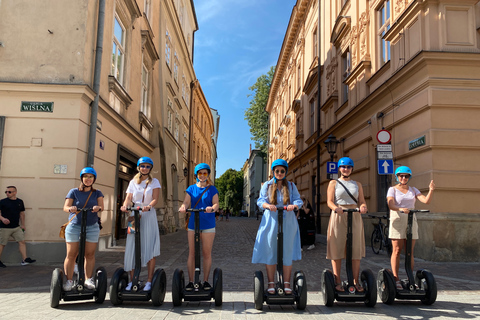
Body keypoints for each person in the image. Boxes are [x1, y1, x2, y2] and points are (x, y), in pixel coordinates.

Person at [252, 159, 303, 295]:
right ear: (273, 172)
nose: (280, 173)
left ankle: (286, 283)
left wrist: (294, 205)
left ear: (285, 172)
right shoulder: (267, 185)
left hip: (288, 222)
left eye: (282, 171)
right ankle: (271, 283)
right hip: (271, 221)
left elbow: (298, 199)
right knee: (271, 251)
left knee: (286, 251)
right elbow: (260, 200)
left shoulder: (291, 186)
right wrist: (268, 205)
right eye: (277, 171)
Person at [387, 166, 435, 289]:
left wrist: (431, 190)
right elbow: (390, 204)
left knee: (409, 251)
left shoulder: (413, 190)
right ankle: (396, 278)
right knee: (397, 250)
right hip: (397, 219)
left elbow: (426, 201)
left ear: (409, 177)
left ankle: (410, 278)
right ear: (397, 177)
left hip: (411, 219)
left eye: (406, 176)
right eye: (401, 176)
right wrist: (400, 209)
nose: (403, 178)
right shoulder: (392, 189)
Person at [326, 157, 368, 292]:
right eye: (343, 167)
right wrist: (335, 208)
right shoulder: (333, 183)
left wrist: (363, 207)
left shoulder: (358, 184)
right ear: (339, 168)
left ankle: (355, 281)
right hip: (339, 215)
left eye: (349, 167)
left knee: (355, 248)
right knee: (337, 247)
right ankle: (337, 281)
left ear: (352, 169)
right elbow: (329, 201)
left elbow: (362, 201)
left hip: (354, 215)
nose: (346, 169)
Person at [120, 157, 161, 292]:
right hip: (134, 216)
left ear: (150, 168)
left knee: (149, 247)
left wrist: (148, 206)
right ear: (138, 167)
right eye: (142, 166)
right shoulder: (133, 182)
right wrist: (125, 206)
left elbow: (155, 198)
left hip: (148, 215)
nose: (145, 168)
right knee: (132, 246)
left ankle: (149, 281)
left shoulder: (154, 182)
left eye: (147, 166)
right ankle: (132, 280)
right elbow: (128, 198)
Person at [179, 163, 219, 291]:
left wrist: (211, 208)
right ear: (196, 175)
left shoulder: (212, 189)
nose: (202, 175)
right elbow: (186, 201)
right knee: (192, 253)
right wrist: (183, 207)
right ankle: (191, 281)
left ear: (208, 174)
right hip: (193, 224)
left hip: (208, 224)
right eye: (200, 173)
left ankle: (206, 281)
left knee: (206, 253)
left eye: (205, 173)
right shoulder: (191, 188)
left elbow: (216, 204)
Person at [63, 167, 104, 291]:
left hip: (91, 226)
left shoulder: (97, 193)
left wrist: (98, 208)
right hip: (74, 226)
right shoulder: (73, 192)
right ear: (82, 178)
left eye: (91, 177)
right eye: (85, 177)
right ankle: (69, 281)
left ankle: (88, 279)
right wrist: (71, 209)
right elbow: (65, 207)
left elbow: (102, 206)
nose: (88, 179)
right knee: (71, 254)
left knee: (89, 254)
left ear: (94, 179)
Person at [0, 186, 36, 268]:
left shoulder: (20, 202)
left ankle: (25, 259)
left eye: (9, 192)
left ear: (15, 192)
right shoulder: (2, 202)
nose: (7, 193)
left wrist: (23, 224)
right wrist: (2, 219)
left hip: (16, 227)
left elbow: (22, 214)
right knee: (2, 244)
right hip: (4, 227)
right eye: (6, 192)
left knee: (22, 242)